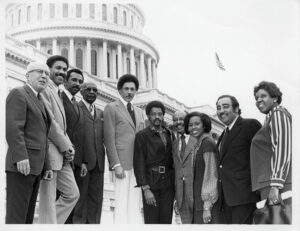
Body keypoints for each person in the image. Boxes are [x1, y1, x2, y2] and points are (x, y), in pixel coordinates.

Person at [5, 62, 51, 224]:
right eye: (39, 72)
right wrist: (20, 156)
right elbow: (13, 128)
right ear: (27, 76)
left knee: (27, 218)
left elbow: (42, 136)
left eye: (47, 73)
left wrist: (47, 165)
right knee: (17, 217)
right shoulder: (18, 93)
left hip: (36, 167)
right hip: (21, 165)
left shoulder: (40, 100)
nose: (45, 76)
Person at [38, 55, 79, 224]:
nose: (61, 72)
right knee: (47, 199)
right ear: (49, 70)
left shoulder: (58, 92)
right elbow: (50, 122)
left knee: (72, 194)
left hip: (62, 155)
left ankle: (47, 224)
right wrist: (66, 146)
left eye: (64, 69)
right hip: (50, 153)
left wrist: (69, 147)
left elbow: (62, 127)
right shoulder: (45, 89)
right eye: (58, 68)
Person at [103, 74, 145, 224]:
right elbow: (109, 138)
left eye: (132, 89)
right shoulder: (111, 108)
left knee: (135, 202)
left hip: (137, 163)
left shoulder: (140, 112)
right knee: (121, 202)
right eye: (126, 89)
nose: (129, 92)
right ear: (119, 90)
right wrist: (115, 164)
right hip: (122, 163)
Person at [216, 95, 261, 224]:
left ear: (236, 109)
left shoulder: (249, 125)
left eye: (225, 106)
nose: (221, 111)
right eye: (218, 108)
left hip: (244, 197)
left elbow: (261, 157)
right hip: (225, 198)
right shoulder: (223, 134)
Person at [250, 81, 292, 222]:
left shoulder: (278, 114)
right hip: (267, 184)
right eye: (256, 98)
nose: (259, 100)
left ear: (275, 98)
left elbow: (282, 148)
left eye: (263, 96)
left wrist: (275, 184)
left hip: (275, 184)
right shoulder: (269, 118)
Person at [134, 101, 175, 224]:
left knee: (166, 220)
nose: (157, 117)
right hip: (151, 183)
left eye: (160, 114)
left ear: (163, 116)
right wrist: (146, 189)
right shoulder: (142, 135)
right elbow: (138, 162)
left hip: (168, 184)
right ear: (148, 116)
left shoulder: (169, 134)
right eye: (153, 114)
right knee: (152, 221)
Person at [73, 82, 105, 223]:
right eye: (88, 89)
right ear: (81, 91)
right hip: (83, 164)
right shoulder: (75, 108)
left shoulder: (100, 112)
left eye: (95, 90)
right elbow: (75, 138)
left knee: (96, 202)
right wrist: (81, 161)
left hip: (99, 164)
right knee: (80, 202)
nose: (92, 92)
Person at [183, 112, 219, 224]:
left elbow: (211, 175)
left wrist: (207, 207)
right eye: (190, 125)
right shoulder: (198, 144)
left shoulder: (208, 144)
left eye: (197, 124)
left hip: (206, 206)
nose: (193, 127)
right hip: (198, 204)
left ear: (204, 125)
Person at [60, 68, 85, 224]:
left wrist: (81, 161)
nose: (77, 84)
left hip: (75, 160)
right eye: (74, 80)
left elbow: (80, 135)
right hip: (62, 156)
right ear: (65, 81)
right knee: (62, 198)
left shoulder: (77, 103)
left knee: (73, 203)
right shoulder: (59, 98)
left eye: (80, 81)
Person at [172, 110, 196, 224]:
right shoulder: (175, 143)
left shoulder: (197, 139)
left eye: (181, 119)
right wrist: (176, 197)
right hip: (181, 196)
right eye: (175, 120)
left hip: (197, 194)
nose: (178, 122)